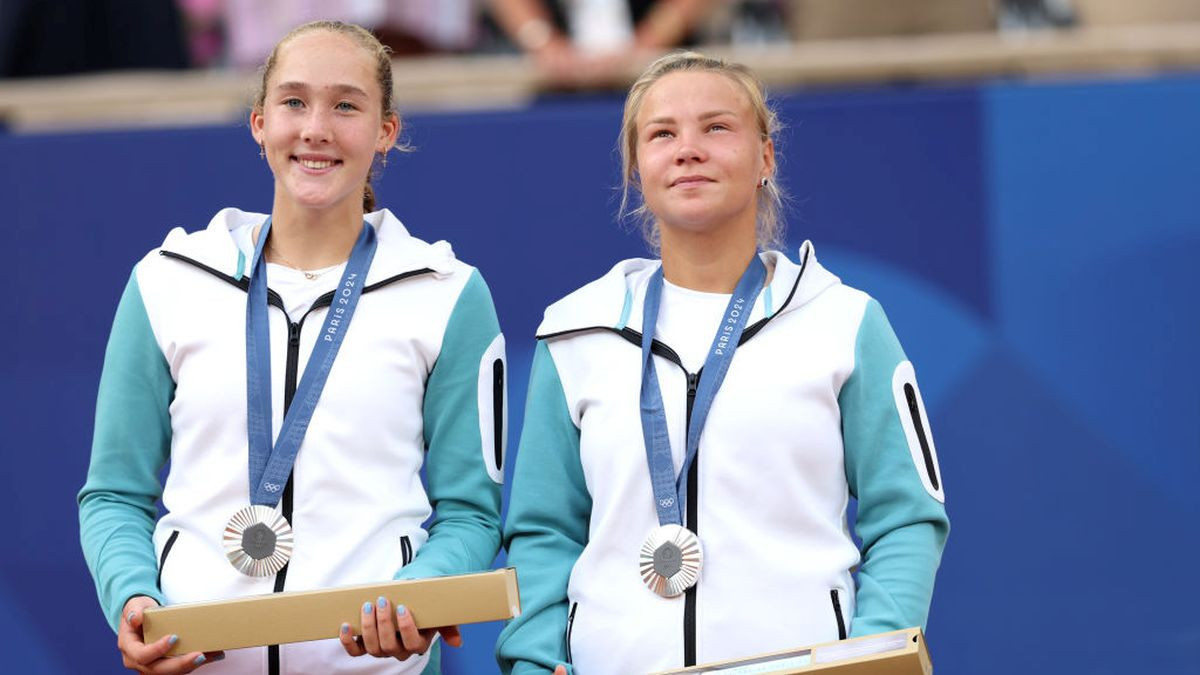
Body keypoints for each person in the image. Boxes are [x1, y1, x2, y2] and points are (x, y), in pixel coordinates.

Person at [496, 51, 949, 674]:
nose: (688, 149)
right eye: (662, 134)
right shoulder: (574, 333)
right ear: (636, 166)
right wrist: (531, 660)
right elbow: (543, 533)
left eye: (716, 127)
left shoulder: (844, 321)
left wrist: (867, 656)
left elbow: (906, 517)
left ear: (766, 157)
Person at [78, 20, 506, 674]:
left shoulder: (447, 292)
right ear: (258, 123)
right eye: (294, 101)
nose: (316, 128)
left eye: (346, 105)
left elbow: (471, 512)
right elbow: (113, 493)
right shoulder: (166, 280)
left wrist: (422, 593)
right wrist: (132, 596)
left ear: (385, 131)